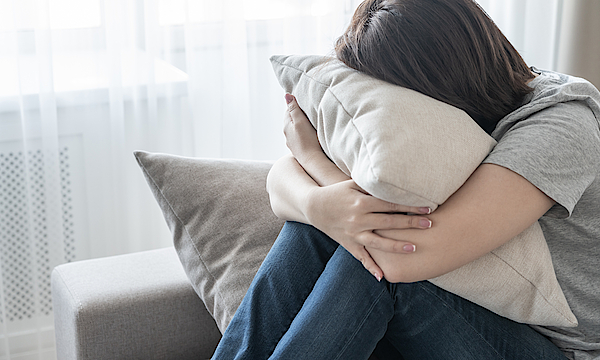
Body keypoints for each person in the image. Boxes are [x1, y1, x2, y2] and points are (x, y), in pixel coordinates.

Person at [212, 0, 600, 359]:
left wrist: (315, 164)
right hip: (477, 313)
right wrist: (318, 206)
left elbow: (402, 260)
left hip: (558, 348)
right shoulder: (449, 120)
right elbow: (280, 182)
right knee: (316, 229)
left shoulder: (561, 124)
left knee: (373, 262)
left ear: (430, 81)